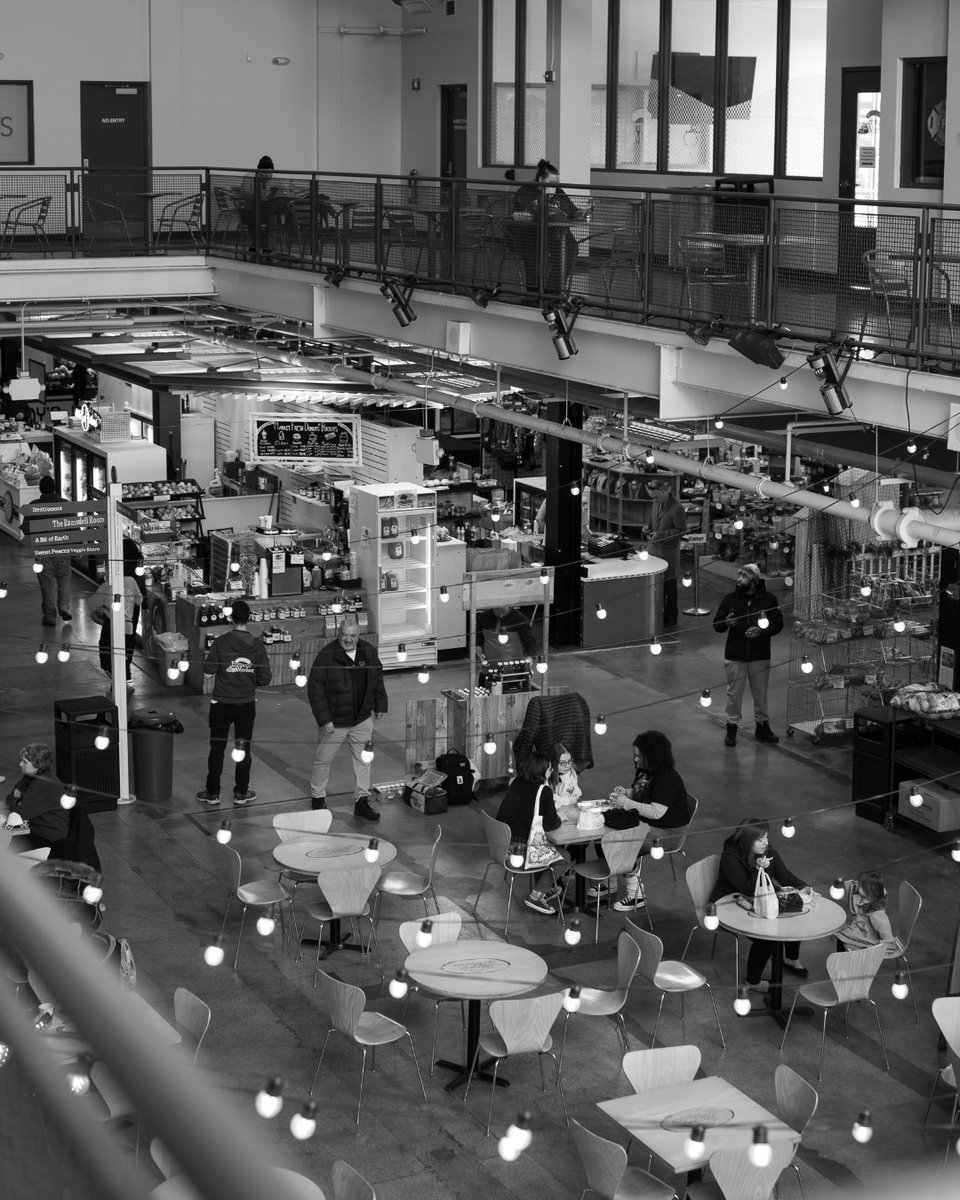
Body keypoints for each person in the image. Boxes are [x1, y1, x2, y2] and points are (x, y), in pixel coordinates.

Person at [709, 816, 812, 990]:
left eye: (766, 837)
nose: (766, 843)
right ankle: (752, 982)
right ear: (748, 841)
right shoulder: (730, 857)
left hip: (759, 899)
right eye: (760, 839)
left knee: (795, 909)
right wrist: (759, 868)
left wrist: (804, 887)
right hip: (729, 904)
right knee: (767, 940)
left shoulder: (767, 850)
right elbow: (747, 888)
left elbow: (784, 876)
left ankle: (790, 958)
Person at [306, 617, 387, 821]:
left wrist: (380, 704)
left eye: (352, 636)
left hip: (361, 718)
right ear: (338, 634)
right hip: (335, 721)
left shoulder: (368, 652)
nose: (348, 639)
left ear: (359, 636)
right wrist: (325, 720)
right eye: (344, 635)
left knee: (363, 760)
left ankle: (361, 800)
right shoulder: (326, 656)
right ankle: (318, 797)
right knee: (323, 759)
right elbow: (315, 690)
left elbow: (377, 679)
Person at [605, 730, 693, 912]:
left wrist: (627, 803)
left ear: (652, 755)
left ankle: (636, 895)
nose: (636, 760)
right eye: (634, 755)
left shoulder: (667, 779)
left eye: (639, 756)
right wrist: (627, 792)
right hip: (647, 824)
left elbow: (656, 812)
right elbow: (642, 790)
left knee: (625, 844)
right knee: (606, 833)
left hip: (668, 833)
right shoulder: (647, 771)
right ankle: (610, 882)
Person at [196, 599, 272, 808]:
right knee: (243, 748)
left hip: (221, 703)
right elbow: (265, 679)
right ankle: (241, 792)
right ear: (248, 619)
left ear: (230, 619)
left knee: (217, 748)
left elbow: (209, 671)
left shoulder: (220, 642)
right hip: (246, 704)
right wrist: (250, 678)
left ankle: (212, 793)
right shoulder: (257, 645)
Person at [712, 562, 783, 748]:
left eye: (743, 576)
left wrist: (761, 631)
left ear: (753, 579)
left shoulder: (769, 600)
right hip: (736, 655)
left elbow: (778, 624)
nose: (739, 579)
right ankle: (731, 729)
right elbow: (717, 625)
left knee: (761, 695)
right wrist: (727, 622)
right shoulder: (730, 600)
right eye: (739, 575)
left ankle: (762, 727)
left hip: (760, 655)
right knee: (733, 695)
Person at [496, 750, 565, 915]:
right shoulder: (544, 791)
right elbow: (550, 824)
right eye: (549, 769)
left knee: (548, 849)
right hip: (522, 851)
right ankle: (536, 895)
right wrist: (559, 817)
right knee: (564, 859)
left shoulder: (516, 782)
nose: (551, 771)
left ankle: (543, 887)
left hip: (503, 847)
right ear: (542, 771)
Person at [508, 159, 587, 295]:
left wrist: (581, 213)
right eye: (552, 183)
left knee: (571, 247)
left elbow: (572, 211)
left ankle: (552, 289)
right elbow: (522, 214)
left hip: (555, 234)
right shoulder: (525, 191)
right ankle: (533, 292)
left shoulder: (559, 192)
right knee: (534, 251)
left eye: (557, 182)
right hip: (529, 234)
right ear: (540, 179)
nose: (555, 186)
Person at [89, 538, 144, 693]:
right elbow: (140, 600)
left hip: (111, 626)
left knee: (107, 657)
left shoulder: (109, 584)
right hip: (128, 626)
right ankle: (124, 680)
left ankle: (120, 683)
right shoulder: (134, 579)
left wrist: (100, 610)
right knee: (125, 653)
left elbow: (92, 603)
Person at [3, 743, 70, 853]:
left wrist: (18, 801)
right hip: (32, 826)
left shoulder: (44, 784)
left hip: (46, 837)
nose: (20, 764)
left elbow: (20, 813)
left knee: (4, 839)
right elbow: (9, 798)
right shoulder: (30, 777)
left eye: (24, 762)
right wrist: (18, 801)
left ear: (38, 765)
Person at [644, 476, 686, 628]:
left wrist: (660, 535)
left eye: (655, 497)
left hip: (668, 553)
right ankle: (659, 613)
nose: (654, 501)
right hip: (654, 550)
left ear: (663, 491)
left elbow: (680, 530)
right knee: (657, 586)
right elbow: (652, 518)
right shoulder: (657, 502)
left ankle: (671, 616)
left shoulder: (677, 508)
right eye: (652, 498)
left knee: (669, 587)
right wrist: (647, 527)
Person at [33, 475, 73, 626]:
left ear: (40, 489)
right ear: (55, 488)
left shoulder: (33, 506)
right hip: (62, 550)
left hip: (42, 553)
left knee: (47, 585)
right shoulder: (65, 505)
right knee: (64, 579)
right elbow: (74, 527)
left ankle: (50, 617)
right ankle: (64, 606)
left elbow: (27, 529)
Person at [836, 870, 903, 957]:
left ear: (871, 891)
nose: (859, 888)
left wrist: (888, 944)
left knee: (843, 938)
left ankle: (845, 962)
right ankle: (841, 960)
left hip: (868, 936)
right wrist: (842, 885)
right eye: (860, 885)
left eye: (861, 886)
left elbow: (884, 927)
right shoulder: (867, 895)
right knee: (841, 937)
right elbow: (854, 886)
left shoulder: (876, 910)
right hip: (860, 928)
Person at [239, 155, 281, 256]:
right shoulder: (249, 177)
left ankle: (257, 245)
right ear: (260, 171)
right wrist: (256, 196)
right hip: (249, 211)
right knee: (257, 221)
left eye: (271, 172)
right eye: (267, 172)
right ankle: (263, 246)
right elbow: (243, 192)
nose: (270, 175)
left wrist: (275, 192)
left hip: (264, 211)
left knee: (270, 219)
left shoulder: (273, 179)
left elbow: (281, 188)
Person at [549, 742, 581, 808]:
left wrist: (565, 778)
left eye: (569, 761)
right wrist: (567, 800)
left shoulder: (571, 771)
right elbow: (550, 799)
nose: (567, 766)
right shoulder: (546, 775)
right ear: (553, 762)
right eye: (562, 763)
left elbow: (577, 794)